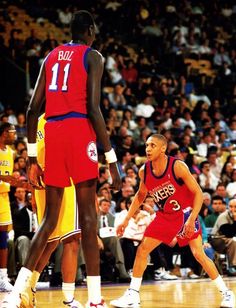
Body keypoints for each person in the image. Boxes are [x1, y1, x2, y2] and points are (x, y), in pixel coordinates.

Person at [8, 10, 121, 308]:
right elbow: (95, 109)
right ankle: (95, 299)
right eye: (94, 31)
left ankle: (17, 291)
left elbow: (32, 110)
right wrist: (111, 159)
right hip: (78, 128)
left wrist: (32, 158)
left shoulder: (51, 56)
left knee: (48, 222)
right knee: (88, 218)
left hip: (52, 131)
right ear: (90, 30)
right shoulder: (93, 56)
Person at [110, 134, 235, 308]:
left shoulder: (177, 166)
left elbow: (198, 193)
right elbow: (140, 196)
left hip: (185, 214)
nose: (148, 149)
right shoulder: (143, 171)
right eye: (146, 145)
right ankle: (133, 295)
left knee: (199, 254)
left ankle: (227, 293)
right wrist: (126, 220)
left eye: (152, 145)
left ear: (163, 148)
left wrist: (191, 219)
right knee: (142, 250)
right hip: (164, 216)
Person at [0, 122, 16, 292]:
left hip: (4, 199)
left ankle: (3, 278)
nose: (15, 135)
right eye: (12, 132)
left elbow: (8, 177)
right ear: (4, 133)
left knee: (3, 240)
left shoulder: (11, 153)